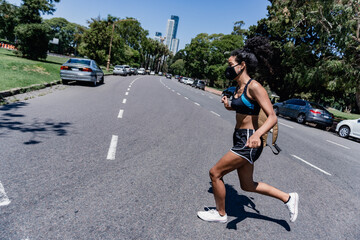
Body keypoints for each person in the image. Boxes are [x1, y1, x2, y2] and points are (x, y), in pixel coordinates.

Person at [197, 36, 299, 223]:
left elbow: (272, 116)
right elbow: (245, 109)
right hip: (240, 137)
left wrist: (258, 135)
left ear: (242, 65)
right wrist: (229, 104)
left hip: (250, 139)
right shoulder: (239, 87)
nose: (228, 68)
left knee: (215, 173)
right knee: (247, 185)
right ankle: (289, 198)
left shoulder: (255, 87)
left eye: (230, 64)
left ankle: (220, 214)